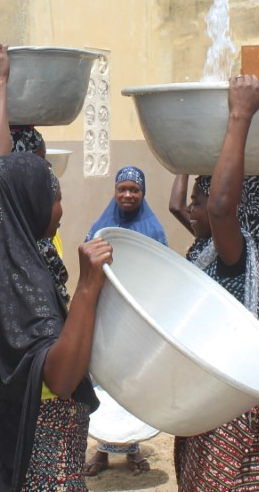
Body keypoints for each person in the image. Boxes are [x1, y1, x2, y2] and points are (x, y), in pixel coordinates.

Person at [0, 152, 111, 492]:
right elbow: (61, 379)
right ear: (27, 203)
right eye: (55, 198)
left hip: (0, 450)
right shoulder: (23, 279)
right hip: (40, 461)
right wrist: (87, 288)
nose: (61, 209)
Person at [167, 75, 259, 492]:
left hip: (234, 411)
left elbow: (221, 207)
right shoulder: (209, 250)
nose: (191, 210)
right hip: (215, 401)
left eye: (197, 202)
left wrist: (240, 116)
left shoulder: (238, 253)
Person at [82, 164, 165, 476]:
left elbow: (163, 276)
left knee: (134, 381)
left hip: (140, 319)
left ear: (143, 193)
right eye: (122, 188)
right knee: (106, 380)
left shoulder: (154, 232)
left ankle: (133, 448)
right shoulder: (100, 228)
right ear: (115, 191)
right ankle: (102, 450)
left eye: (134, 189)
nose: (128, 194)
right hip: (108, 317)